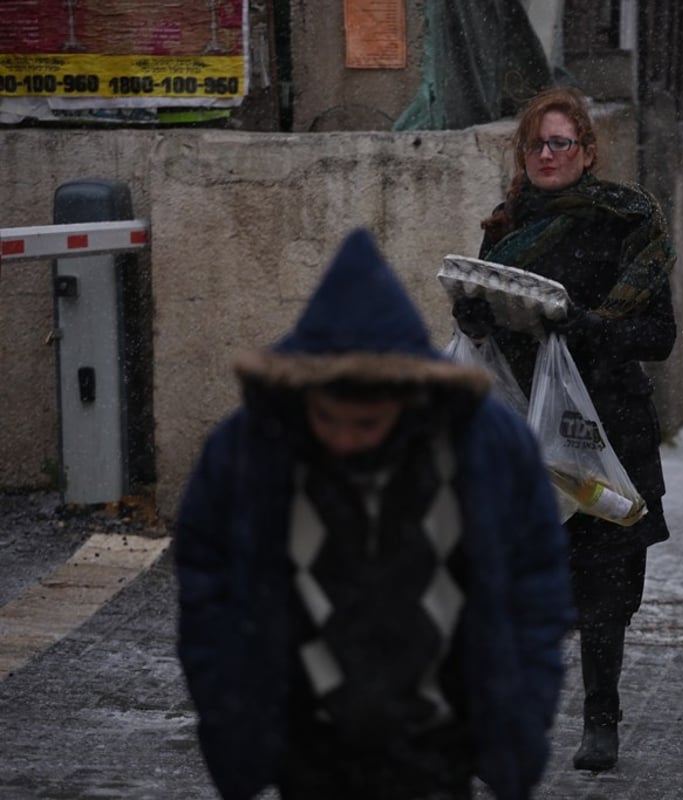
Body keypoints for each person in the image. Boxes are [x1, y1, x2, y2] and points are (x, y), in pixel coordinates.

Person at [174, 228, 573, 800]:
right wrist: (228, 708)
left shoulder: (485, 446)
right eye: (329, 420)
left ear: (405, 396)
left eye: (366, 424)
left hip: (439, 747)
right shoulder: (250, 449)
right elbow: (206, 585)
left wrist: (519, 718)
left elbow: (535, 587)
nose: (345, 440)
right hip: (306, 748)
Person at [452, 86, 676, 771]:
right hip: (520, 426)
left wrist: (587, 329)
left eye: (561, 143)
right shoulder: (505, 225)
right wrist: (477, 318)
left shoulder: (626, 224)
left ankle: (600, 720)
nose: (548, 156)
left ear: (587, 151)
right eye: (536, 145)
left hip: (603, 427)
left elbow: (660, 336)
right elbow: (479, 304)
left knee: (605, 586)